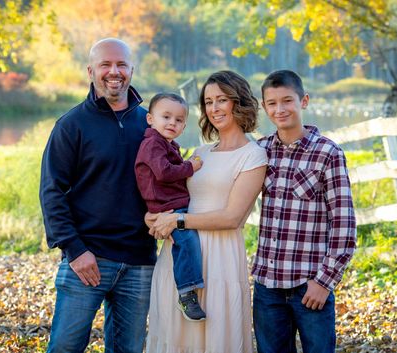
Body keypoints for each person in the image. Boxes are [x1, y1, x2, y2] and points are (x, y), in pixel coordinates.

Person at [39, 38, 156, 353]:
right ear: (91, 71)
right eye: (105, 64)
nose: (114, 71)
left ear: (132, 69)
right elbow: (52, 192)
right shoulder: (71, 125)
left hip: (139, 261)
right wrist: (75, 251)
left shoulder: (150, 125)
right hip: (87, 259)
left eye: (121, 64)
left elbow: (165, 184)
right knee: (65, 347)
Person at [145, 70, 267, 353]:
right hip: (181, 254)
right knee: (176, 336)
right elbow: (174, 195)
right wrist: (153, 216)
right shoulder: (202, 152)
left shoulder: (253, 155)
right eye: (208, 101)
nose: (214, 108)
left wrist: (178, 220)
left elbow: (232, 217)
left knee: (214, 338)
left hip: (220, 256)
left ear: (239, 102)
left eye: (221, 99)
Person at [253, 69, 357, 353]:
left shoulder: (328, 153)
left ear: (304, 101)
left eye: (287, 100)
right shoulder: (260, 151)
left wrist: (324, 282)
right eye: (272, 103)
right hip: (267, 287)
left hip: (309, 286)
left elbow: (344, 227)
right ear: (264, 107)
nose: (280, 109)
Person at [134, 92, 206, 321]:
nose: (172, 123)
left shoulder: (167, 144)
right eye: (166, 117)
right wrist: (190, 167)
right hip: (165, 205)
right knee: (186, 241)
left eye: (178, 120)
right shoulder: (152, 144)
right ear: (150, 119)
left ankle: (187, 286)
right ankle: (186, 293)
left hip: (173, 203)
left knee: (185, 242)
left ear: (184, 125)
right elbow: (164, 172)